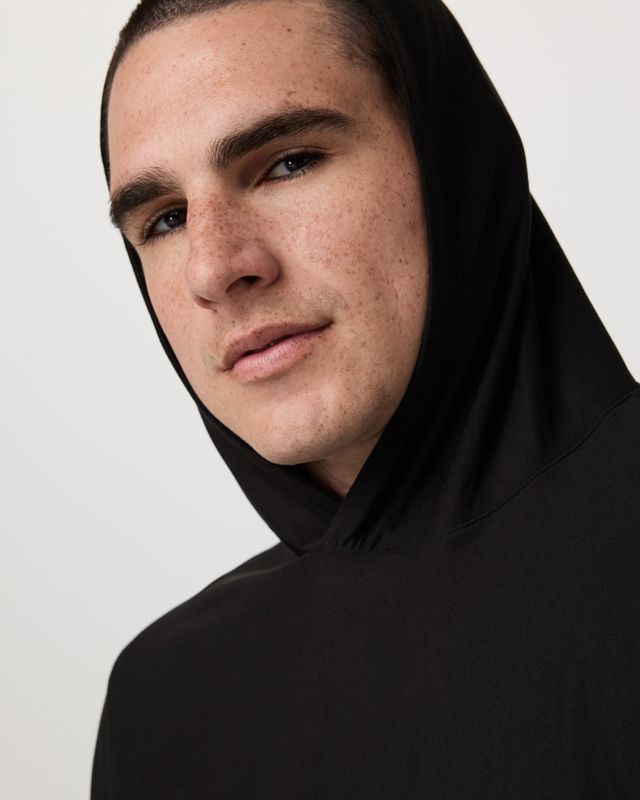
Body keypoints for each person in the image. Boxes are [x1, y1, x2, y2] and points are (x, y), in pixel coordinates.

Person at [92, 0, 640, 797]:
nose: (214, 268)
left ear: (454, 162)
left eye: (288, 163)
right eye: (166, 218)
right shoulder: (165, 702)